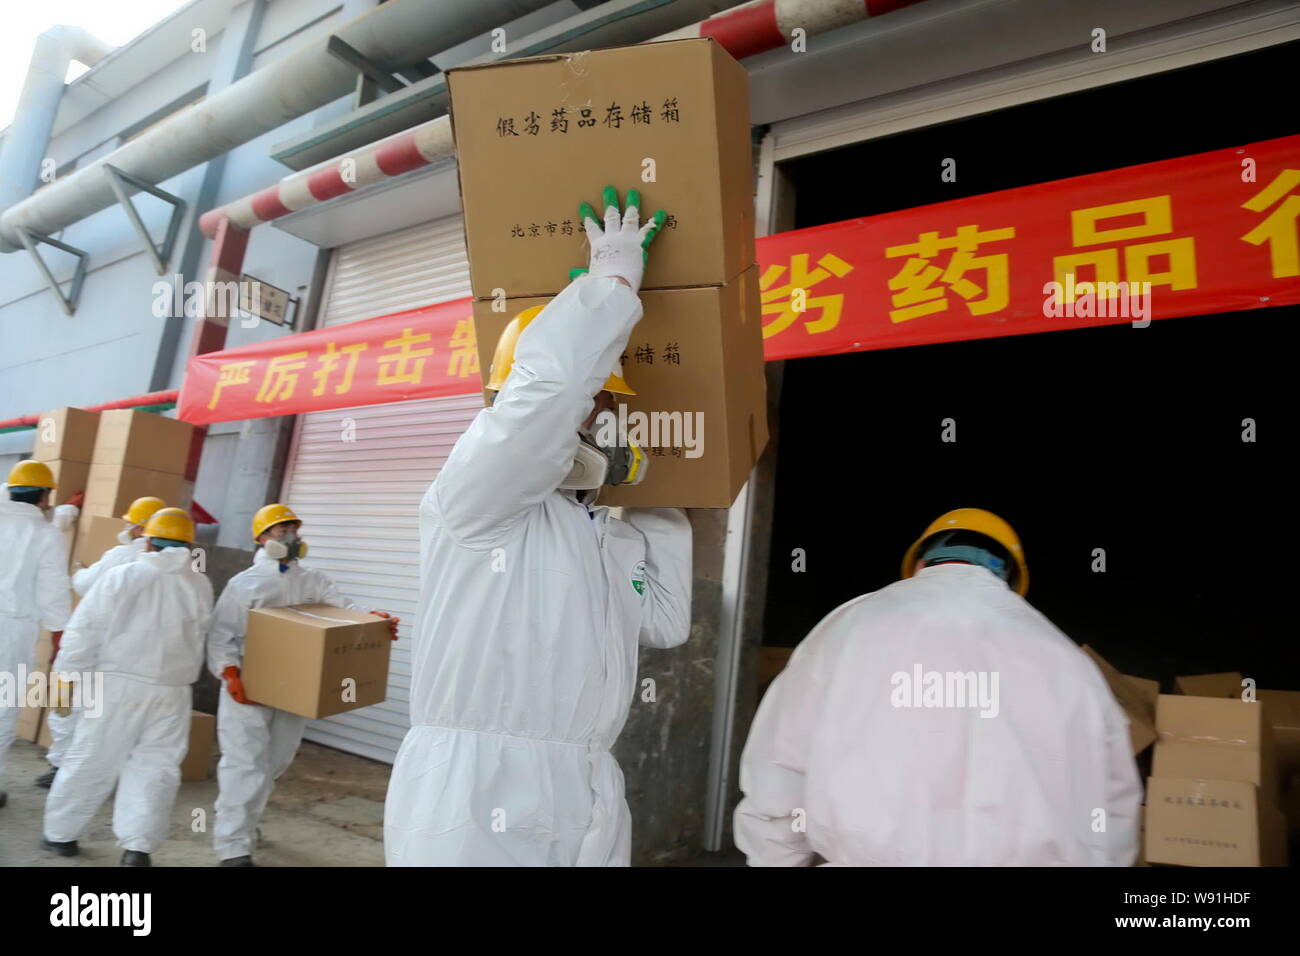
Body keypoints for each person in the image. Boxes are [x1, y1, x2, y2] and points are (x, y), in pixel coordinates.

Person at [384, 186, 693, 867]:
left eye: (610, 406)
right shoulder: (476, 499)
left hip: (586, 786)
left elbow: (666, 623)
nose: (602, 417)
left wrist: (662, 497)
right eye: (596, 403)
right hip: (475, 791)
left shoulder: (601, 528)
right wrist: (610, 286)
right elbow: (544, 399)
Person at [733, 508, 1142, 866]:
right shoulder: (1065, 661)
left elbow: (780, 766)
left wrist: (776, 859)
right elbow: (1111, 810)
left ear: (919, 564)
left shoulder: (846, 630)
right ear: (1012, 576)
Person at [207, 503, 399, 866]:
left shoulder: (313, 580)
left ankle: (245, 825)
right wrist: (229, 672)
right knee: (244, 763)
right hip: (248, 686)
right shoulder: (245, 584)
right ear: (262, 538)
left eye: (293, 529)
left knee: (275, 761)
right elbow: (221, 635)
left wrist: (372, 619)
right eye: (281, 531)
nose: (290, 536)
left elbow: (344, 610)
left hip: (294, 685)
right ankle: (232, 846)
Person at [41, 507, 213, 865]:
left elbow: (85, 630)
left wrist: (65, 678)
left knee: (91, 759)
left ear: (147, 540)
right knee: (156, 768)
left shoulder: (124, 575)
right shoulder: (199, 583)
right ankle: (137, 849)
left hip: (117, 685)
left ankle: (61, 835)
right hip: (173, 691)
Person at [36, 496, 169, 790]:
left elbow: (83, 585)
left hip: (92, 645)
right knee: (105, 717)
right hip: (131, 656)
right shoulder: (175, 572)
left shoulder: (120, 556)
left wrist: (80, 569)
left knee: (65, 705)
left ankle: (61, 767)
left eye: (130, 521)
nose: (126, 525)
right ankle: (103, 775)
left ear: (140, 529)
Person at [0, 460, 73, 809]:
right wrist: (61, 635)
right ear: (44, 498)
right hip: (12, 631)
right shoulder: (45, 535)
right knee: (3, 708)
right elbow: (53, 591)